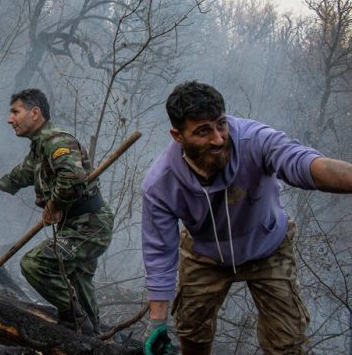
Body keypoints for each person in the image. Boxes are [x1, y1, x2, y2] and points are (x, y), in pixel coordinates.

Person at [141, 81, 352, 354]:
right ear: (177, 136)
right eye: (203, 131)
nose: (218, 139)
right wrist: (157, 322)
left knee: (287, 343)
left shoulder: (254, 140)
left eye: (221, 124)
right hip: (205, 253)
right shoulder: (160, 184)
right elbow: (159, 253)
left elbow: (301, 162)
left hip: (268, 245)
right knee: (191, 334)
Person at [0, 88, 113, 336]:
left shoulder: (56, 141)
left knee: (34, 264)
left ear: (35, 113)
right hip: (79, 224)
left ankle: (74, 322)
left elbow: (72, 177)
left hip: (89, 225)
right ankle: (92, 337)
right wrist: (0, 185)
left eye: (15, 112)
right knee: (79, 282)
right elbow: (27, 171)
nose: (10, 119)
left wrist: (54, 205)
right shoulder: (40, 145)